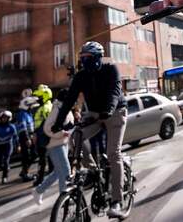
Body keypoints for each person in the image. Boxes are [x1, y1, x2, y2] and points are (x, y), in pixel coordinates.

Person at [51, 41, 128, 219]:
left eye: (89, 58)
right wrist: (58, 122)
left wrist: (108, 110)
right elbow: (70, 99)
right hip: (93, 114)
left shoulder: (111, 69)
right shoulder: (80, 76)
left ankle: (117, 201)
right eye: (83, 59)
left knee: (113, 153)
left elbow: (114, 92)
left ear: (98, 58)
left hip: (115, 112)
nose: (85, 62)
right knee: (75, 137)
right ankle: (93, 172)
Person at [32, 90, 74, 206]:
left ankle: (38, 191)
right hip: (55, 145)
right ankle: (64, 198)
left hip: (63, 143)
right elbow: (47, 128)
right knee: (65, 170)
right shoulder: (57, 109)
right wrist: (62, 133)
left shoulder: (66, 109)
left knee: (57, 172)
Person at [31, 84, 53, 186]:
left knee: (43, 159)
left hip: (43, 136)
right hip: (42, 135)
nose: (37, 99)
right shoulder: (45, 106)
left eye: (39, 97)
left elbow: (49, 123)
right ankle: (49, 175)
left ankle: (41, 179)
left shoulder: (45, 107)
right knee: (47, 158)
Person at [0, 110, 18, 184]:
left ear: (9, 118)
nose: (4, 119)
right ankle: (6, 168)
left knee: (6, 161)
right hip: (0, 145)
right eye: (2, 118)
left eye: (5, 118)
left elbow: (15, 137)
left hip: (8, 145)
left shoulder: (11, 126)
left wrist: (18, 145)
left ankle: (4, 177)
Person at [14, 96, 37, 181]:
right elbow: (23, 128)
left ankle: (24, 171)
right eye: (30, 105)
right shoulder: (21, 114)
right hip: (24, 137)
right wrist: (27, 138)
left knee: (34, 154)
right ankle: (25, 174)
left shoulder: (28, 113)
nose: (32, 107)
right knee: (26, 156)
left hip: (29, 136)